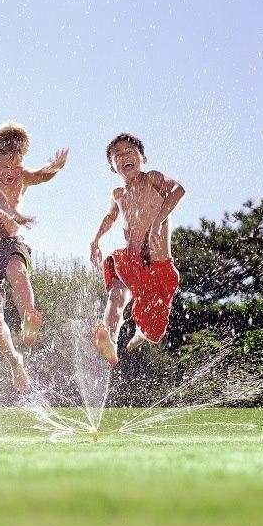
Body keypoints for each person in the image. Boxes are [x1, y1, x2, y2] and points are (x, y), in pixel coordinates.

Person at [0, 121, 68, 392]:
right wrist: (13, 212)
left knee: (18, 272)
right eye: (5, 166)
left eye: (16, 166)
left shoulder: (23, 175)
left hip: (11, 243)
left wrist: (54, 167)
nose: (11, 173)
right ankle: (14, 361)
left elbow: (42, 175)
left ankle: (28, 318)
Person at [90, 133, 185, 365]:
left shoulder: (152, 178)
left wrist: (157, 222)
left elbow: (178, 190)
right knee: (116, 295)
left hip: (159, 266)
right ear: (112, 168)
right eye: (117, 155)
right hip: (130, 259)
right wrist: (96, 241)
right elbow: (109, 217)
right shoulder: (118, 194)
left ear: (144, 158)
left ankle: (139, 336)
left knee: (154, 332)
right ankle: (109, 338)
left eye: (130, 152)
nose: (124, 156)